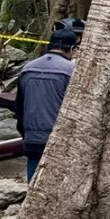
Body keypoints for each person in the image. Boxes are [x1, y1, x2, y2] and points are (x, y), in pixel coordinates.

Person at [14, 28, 77, 182]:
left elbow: (19, 107)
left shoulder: (27, 69)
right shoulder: (72, 71)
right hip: (59, 139)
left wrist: (25, 133)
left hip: (32, 139)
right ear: (72, 49)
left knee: (33, 181)